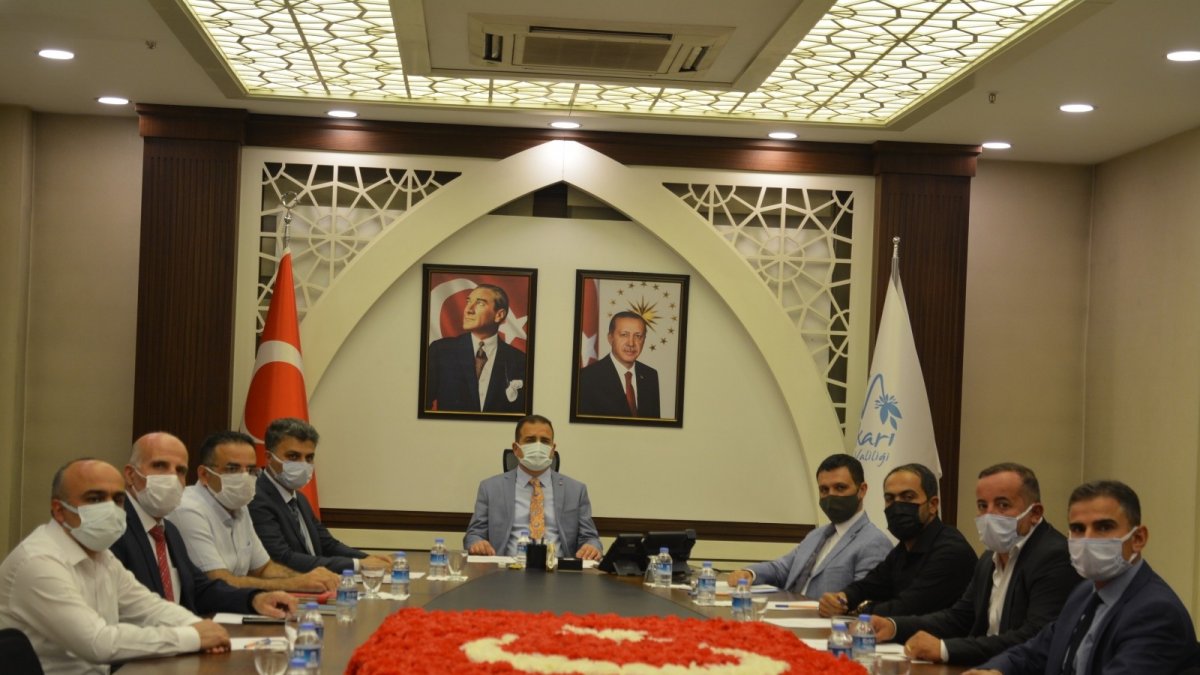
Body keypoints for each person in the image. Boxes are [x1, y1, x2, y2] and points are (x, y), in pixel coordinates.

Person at [0, 458, 230, 673]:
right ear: (59, 510)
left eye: (118, 500)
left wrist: (200, 627)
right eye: (95, 499)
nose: (110, 508)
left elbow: (148, 607)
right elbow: (98, 643)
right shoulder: (38, 562)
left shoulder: (101, 555)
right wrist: (194, 637)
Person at [964, 480, 1198, 675]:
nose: (1087, 539)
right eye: (1077, 529)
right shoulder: (1085, 592)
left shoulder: (1156, 612)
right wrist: (994, 670)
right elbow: (1036, 650)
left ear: (1138, 538)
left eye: (1104, 527)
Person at [869, 463, 1080, 665]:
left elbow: (1034, 637)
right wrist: (894, 626)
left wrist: (945, 649)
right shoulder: (989, 558)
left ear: (1035, 513)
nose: (989, 515)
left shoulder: (1054, 557)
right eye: (982, 506)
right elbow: (959, 617)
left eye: (1003, 505)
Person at [111, 432, 296, 618]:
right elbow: (126, 613)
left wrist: (254, 600)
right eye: (160, 466)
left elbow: (200, 589)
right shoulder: (114, 530)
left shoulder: (168, 531)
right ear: (130, 475)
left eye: (180, 471)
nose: (172, 477)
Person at [168, 430, 338, 592]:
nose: (244, 477)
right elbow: (218, 581)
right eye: (232, 469)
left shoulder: (240, 506)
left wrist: (308, 579)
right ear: (204, 475)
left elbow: (264, 568)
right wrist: (296, 583)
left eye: (250, 470)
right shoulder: (188, 509)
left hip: (235, 604)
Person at [818, 462, 975, 617]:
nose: (897, 506)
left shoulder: (951, 551)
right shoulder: (904, 548)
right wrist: (842, 598)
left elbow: (909, 608)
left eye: (908, 497)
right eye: (890, 499)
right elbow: (870, 585)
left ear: (933, 505)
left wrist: (856, 610)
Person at [726, 453, 891, 598]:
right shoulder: (816, 535)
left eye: (840, 488)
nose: (831, 495)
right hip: (787, 614)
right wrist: (749, 573)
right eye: (824, 490)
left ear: (862, 490)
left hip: (825, 622)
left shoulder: (874, 543)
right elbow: (781, 569)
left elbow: (863, 601)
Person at [250, 417, 392, 573]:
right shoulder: (256, 499)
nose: (303, 464)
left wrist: (368, 559)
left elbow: (328, 544)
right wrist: (357, 565)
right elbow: (283, 558)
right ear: (269, 458)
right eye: (293, 456)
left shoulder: (299, 499)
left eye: (309, 458)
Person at [465, 414, 603, 560]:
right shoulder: (490, 488)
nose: (538, 446)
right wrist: (477, 543)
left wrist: (592, 546)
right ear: (516, 448)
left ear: (552, 450)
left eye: (545, 441)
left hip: (558, 568)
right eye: (530, 440)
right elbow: (474, 534)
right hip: (507, 567)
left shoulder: (576, 490)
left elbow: (590, 538)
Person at [425, 284, 527, 413]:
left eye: (480, 303)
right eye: (468, 302)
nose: (468, 309)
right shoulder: (440, 351)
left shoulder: (520, 360)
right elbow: (421, 405)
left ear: (499, 315)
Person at [577, 311, 661, 418]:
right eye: (624, 335)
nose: (631, 343)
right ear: (610, 338)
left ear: (644, 340)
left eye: (638, 336)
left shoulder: (650, 375)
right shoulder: (586, 378)